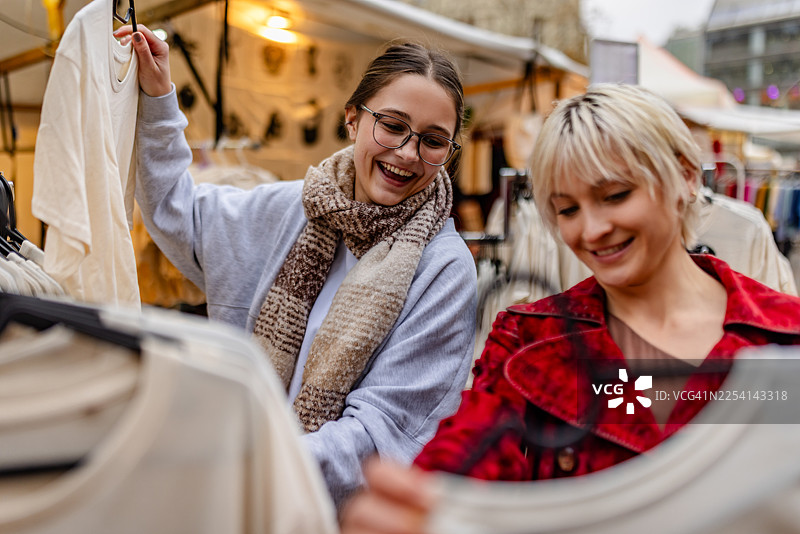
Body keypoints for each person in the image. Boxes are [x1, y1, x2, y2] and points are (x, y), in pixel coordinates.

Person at [340, 84, 800, 533]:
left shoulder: (784, 334)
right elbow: (465, 452)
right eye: (567, 210)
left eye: (615, 195)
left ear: (683, 176)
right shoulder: (530, 342)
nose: (592, 229)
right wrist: (421, 506)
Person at [115, 25, 477, 508]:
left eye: (433, 141)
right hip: (242, 494)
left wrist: (246, 462)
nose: (408, 153)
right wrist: (159, 98)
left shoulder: (444, 268)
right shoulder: (292, 208)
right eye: (392, 125)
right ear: (352, 118)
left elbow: (381, 434)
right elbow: (176, 213)